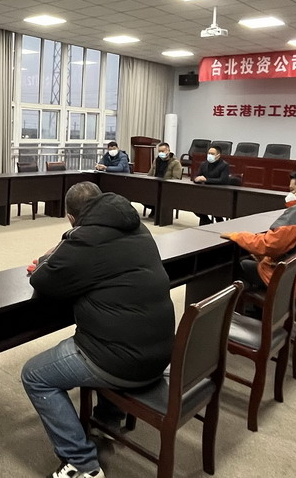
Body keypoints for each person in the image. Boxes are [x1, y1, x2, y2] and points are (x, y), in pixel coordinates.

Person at [22, 182, 175, 478]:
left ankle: (82, 464)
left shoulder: (85, 240)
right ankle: (107, 420)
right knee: (114, 329)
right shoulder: (138, 228)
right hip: (160, 353)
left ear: (71, 218)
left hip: (122, 361)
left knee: (35, 375)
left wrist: (51, 254)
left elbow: (42, 279)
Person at [221, 168, 296, 299]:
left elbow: (269, 245)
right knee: (258, 258)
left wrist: (239, 236)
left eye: (292, 190)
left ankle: (258, 308)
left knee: (241, 265)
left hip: (295, 282)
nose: (290, 194)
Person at [193, 143, 231, 225]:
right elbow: (196, 176)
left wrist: (206, 180)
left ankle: (218, 221)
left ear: (218, 155)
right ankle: (207, 221)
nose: (209, 155)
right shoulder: (204, 164)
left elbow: (223, 180)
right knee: (194, 205)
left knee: (215, 208)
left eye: (212, 154)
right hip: (204, 192)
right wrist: (196, 179)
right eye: (209, 153)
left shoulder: (224, 165)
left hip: (219, 193)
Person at [143, 142, 182, 218]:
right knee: (141, 193)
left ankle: (158, 210)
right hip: (155, 185)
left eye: (162, 151)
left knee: (159, 194)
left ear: (168, 151)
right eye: (159, 151)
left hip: (166, 187)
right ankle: (154, 209)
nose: (161, 153)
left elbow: (176, 178)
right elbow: (150, 174)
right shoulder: (156, 160)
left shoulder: (175, 163)